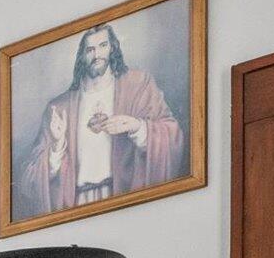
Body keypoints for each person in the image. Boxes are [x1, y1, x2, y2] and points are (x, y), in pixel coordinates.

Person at [17, 21, 186, 216]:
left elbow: (173, 136)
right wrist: (56, 147)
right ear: (81, 56)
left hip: (125, 202)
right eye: (90, 49)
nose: (97, 55)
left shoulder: (138, 85)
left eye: (103, 46)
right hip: (75, 209)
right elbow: (29, 180)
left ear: (112, 48)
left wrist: (137, 127)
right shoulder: (59, 107)